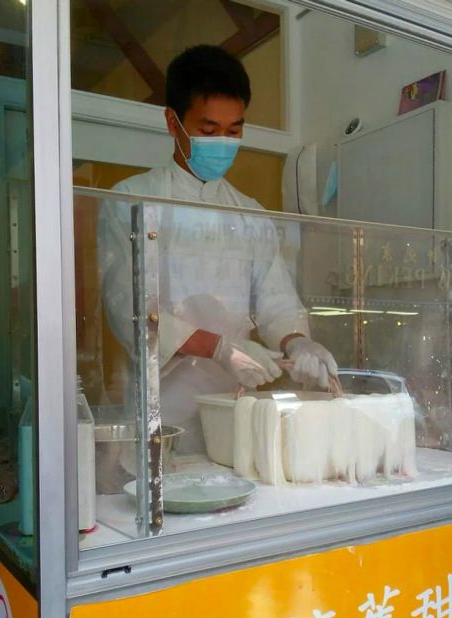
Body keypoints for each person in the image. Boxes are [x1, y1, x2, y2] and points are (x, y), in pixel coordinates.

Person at [99, 45, 338, 452]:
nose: (223, 143)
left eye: (234, 131)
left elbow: (276, 299)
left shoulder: (250, 214)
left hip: (235, 407)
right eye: (209, 131)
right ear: (173, 123)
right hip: (162, 413)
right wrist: (221, 348)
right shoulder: (131, 202)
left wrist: (297, 343)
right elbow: (131, 310)